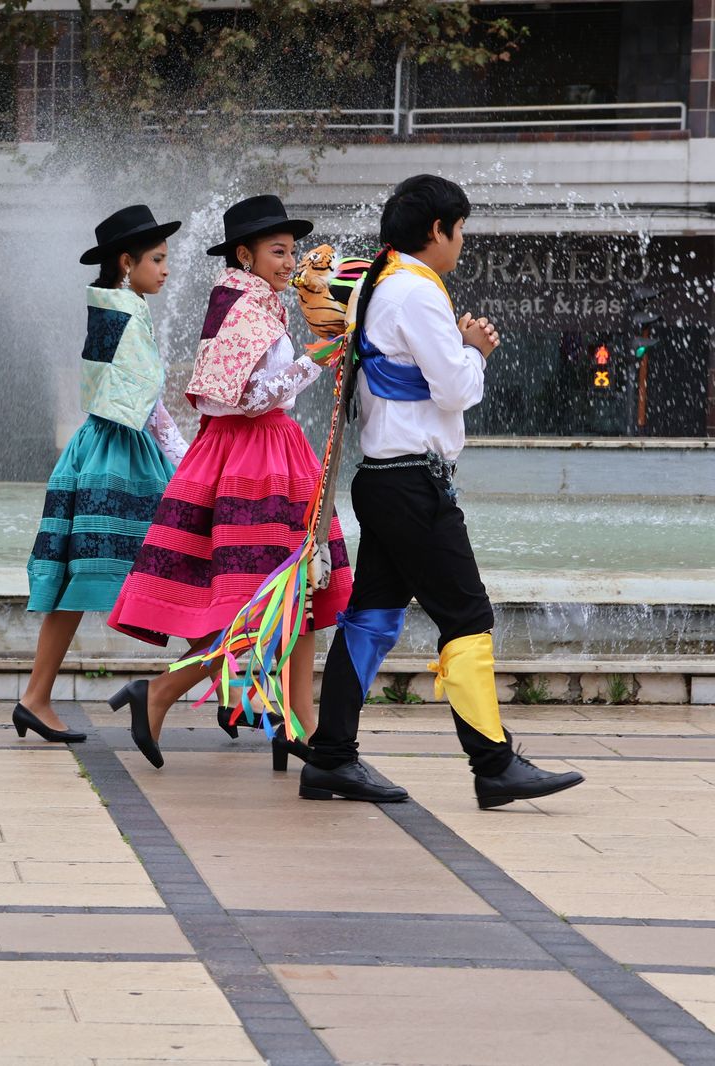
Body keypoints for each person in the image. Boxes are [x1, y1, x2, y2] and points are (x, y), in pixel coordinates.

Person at [300, 174, 584, 809]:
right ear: (437, 231)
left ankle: (331, 758)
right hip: (411, 484)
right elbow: (456, 391)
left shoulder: (381, 283)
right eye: (460, 232)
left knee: (370, 619)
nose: (462, 244)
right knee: (467, 617)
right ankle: (494, 765)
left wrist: (455, 350)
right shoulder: (417, 293)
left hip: (383, 480)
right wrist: (474, 349)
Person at [106, 195, 351, 768]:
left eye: (291, 251)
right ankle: (163, 692)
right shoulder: (244, 307)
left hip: (266, 452)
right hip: (256, 456)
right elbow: (244, 398)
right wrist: (319, 356)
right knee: (263, 602)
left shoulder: (251, 303)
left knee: (300, 597)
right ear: (246, 254)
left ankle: (299, 723)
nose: (290, 262)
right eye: (277, 251)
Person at [14, 205, 189, 744]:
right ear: (125, 261)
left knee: (79, 577)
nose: (165, 270)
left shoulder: (116, 305)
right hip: (121, 454)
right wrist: (186, 458)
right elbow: (146, 403)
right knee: (184, 559)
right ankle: (220, 690)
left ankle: (35, 697)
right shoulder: (124, 311)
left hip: (104, 448)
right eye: (157, 260)